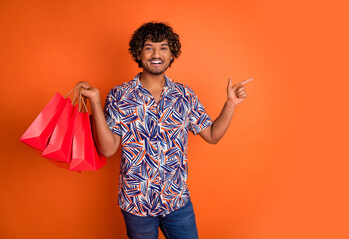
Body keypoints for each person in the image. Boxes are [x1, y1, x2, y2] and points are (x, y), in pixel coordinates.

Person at [78, 22, 253, 239]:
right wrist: (95, 101)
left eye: (163, 47)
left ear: (171, 55)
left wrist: (231, 104)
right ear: (139, 54)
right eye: (149, 47)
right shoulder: (120, 95)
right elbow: (107, 149)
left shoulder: (184, 95)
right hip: (136, 202)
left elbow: (212, 135)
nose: (156, 54)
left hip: (176, 201)